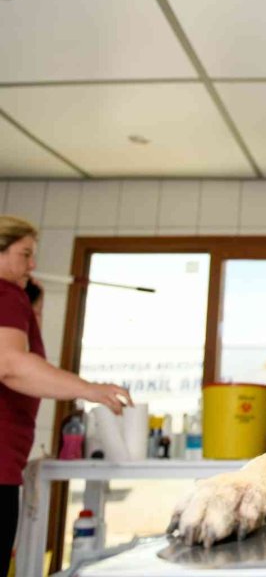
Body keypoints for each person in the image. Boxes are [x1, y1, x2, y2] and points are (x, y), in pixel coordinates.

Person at [0, 216, 133, 576]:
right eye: (25, 254)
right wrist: (91, 390)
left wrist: (34, 309)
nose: (32, 265)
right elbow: (11, 364)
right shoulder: (5, 292)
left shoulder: (14, 298)